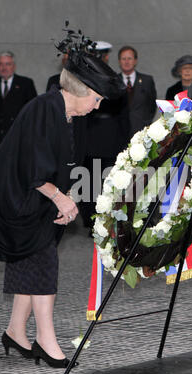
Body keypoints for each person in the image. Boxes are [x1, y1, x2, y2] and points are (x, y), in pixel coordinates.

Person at [0, 29, 125, 368]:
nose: (98, 105)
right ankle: (46, 341)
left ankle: (16, 331)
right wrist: (60, 199)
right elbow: (33, 168)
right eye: (97, 99)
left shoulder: (66, 112)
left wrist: (68, 198)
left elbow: (64, 167)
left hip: (33, 193)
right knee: (43, 259)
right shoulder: (45, 108)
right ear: (85, 91)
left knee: (29, 259)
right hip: (15, 195)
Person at [79, 41, 130, 232]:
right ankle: (90, 220)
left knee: (110, 181)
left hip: (111, 136)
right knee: (89, 181)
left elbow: (123, 111)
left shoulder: (114, 80)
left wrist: (125, 139)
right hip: (91, 135)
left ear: (107, 57)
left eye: (102, 56)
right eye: (95, 55)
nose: (100, 59)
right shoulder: (83, 79)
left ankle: (110, 219)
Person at [0, 51, 37, 155]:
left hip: (19, 138)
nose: (4, 67)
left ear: (14, 66)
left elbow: (34, 112)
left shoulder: (26, 84)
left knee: (18, 170)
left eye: (7, 64)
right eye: (0, 64)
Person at [118, 45, 157, 138]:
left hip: (141, 131)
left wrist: (146, 122)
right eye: (123, 59)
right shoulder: (113, 81)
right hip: (118, 133)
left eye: (129, 58)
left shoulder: (147, 80)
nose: (126, 62)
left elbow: (152, 105)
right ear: (119, 61)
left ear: (135, 61)